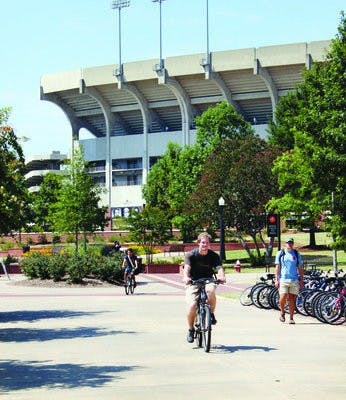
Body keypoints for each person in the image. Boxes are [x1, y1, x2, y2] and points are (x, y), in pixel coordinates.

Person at [183, 232, 226, 343]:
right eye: (203, 242)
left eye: (207, 243)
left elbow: (219, 268)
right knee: (193, 305)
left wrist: (221, 276)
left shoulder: (213, 255)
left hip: (208, 280)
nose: (205, 245)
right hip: (193, 281)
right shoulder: (191, 255)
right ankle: (191, 330)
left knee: (210, 290)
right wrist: (186, 277)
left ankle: (211, 314)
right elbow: (186, 268)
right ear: (198, 243)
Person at [274, 237, 304, 324]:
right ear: (285, 244)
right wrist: (276, 279)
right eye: (288, 243)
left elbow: (300, 267)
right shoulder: (281, 253)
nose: (290, 244)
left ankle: (291, 318)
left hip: (294, 279)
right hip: (283, 279)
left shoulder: (296, 254)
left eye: (291, 243)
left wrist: (301, 280)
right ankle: (282, 312)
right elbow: (277, 267)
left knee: (292, 299)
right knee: (282, 298)